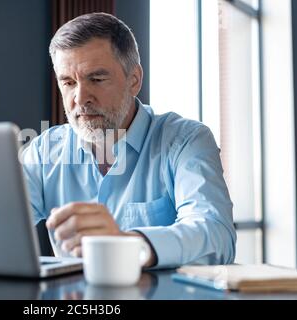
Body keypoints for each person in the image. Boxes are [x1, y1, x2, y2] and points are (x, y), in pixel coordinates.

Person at [22, 12, 236, 268]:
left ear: (134, 80)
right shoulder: (44, 151)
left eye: (97, 79)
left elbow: (216, 236)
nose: (80, 98)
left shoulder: (186, 141)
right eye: (68, 82)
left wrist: (129, 245)